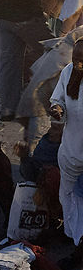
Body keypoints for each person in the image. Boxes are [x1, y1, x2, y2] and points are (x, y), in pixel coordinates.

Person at [49, 40, 83, 250]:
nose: (78, 64)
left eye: (82, 61)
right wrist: (57, 109)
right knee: (68, 196)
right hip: (70, 150)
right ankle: (72, 234)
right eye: (76, 59)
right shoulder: (68, 72)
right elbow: (58, 99)